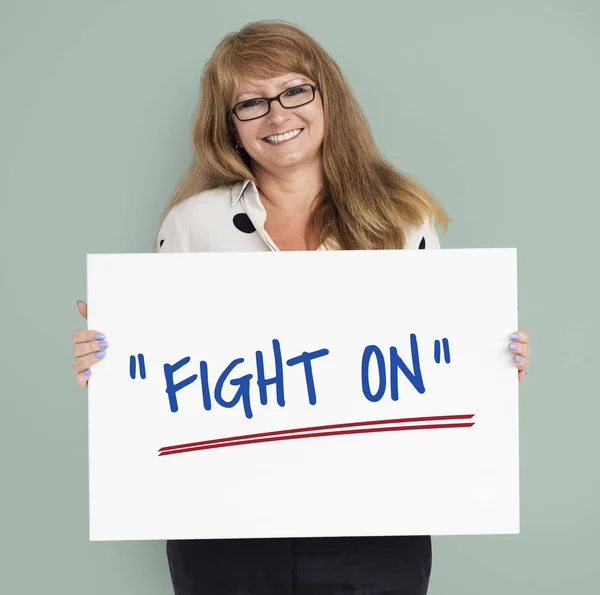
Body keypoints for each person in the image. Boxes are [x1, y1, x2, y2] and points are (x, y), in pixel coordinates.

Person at [71, 20, 531, 595]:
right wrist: (109, 365)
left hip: (375, 530)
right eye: (251, 103)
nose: (278, 114)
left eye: (294, 91)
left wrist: (491, 358)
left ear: (326, 97)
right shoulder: (194, 224)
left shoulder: (402, 218)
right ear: (229, 126)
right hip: (224, 530)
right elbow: (161, 372)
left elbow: (437, 357)